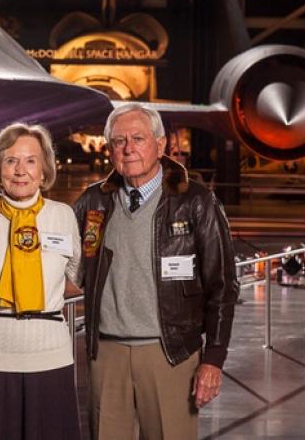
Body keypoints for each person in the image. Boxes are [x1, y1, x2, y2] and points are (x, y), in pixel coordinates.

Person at [74, 102, 239, 440]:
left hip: (170, 353)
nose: (129, 148)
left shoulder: (195, 202)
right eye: (119, 141)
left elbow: (222, 286)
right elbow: (59, 262)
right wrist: (2, 215)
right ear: (109, 150)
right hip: (106, 354)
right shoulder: (93, 202)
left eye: (138, 138)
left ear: (161, 145)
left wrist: (214, 359)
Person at [0, 122, 83, 440]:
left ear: (44, 171)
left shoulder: (62, 216)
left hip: (52, 359)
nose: (20, 170)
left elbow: (78, 277)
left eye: (30, 160)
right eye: (11, 160)